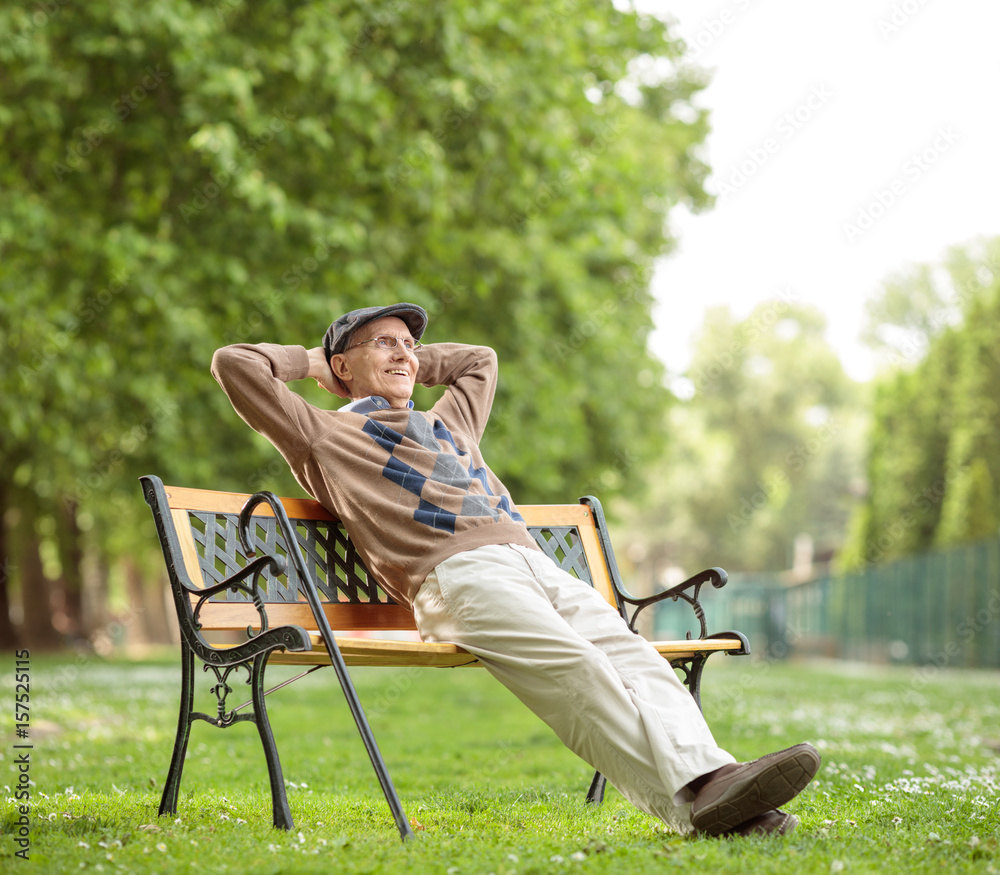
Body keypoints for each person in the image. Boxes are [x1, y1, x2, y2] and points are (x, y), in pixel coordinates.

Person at [211, 302, 820, 837]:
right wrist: (318, 363)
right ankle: (702, 806)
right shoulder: (323, 432)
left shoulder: (449, 424)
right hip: (454, 578)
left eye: (411, 343)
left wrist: (404, 363)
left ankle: (718, 781)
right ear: (342, 366)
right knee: (576, 665)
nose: (404, 352)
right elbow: (235, 363)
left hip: (533, 563)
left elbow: (481, 360)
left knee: (631, 655)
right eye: (383, 342)